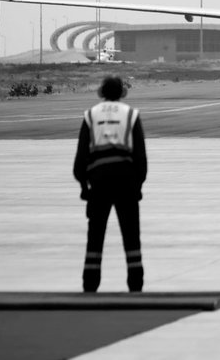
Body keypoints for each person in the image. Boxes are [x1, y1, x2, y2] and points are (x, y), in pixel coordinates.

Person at [74, 75, 146, 293]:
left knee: (95, 236)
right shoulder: (131, 115)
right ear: (122, 93)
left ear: (102, 92)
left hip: (99, 181)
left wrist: (84, 188)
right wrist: (138, 187)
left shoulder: (90, 115)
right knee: (131, 235)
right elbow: (141, 158)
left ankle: (90, 284)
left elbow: (81, 157)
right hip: (126, 180)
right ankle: (135, 285)